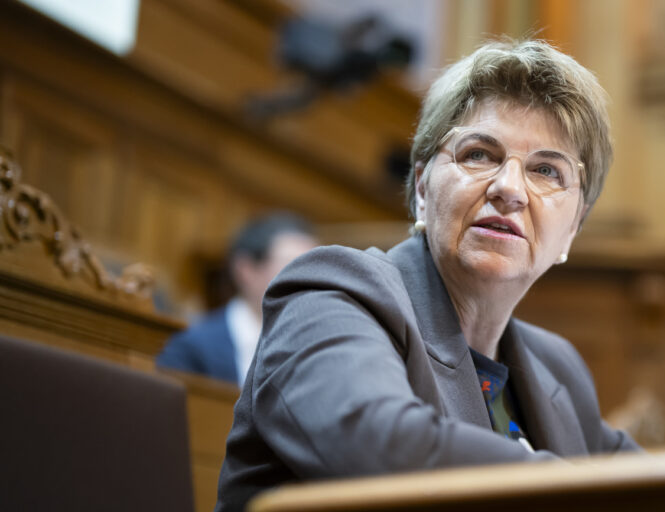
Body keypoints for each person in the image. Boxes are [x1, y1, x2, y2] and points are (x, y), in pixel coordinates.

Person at [216, 39, 640, 511]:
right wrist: (584, 490)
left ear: (572, 230)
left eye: (546, 170)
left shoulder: (557, 366)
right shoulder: (333, 293)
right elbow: (378, 444)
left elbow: (659, 489)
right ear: (422, 188)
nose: (509, 188)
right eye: (479, 154)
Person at [156, 214, 317, 387]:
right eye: (295, 265)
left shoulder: (319, 347)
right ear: (246, 270)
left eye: (316, 267)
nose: (311, 280)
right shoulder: (190, 345)